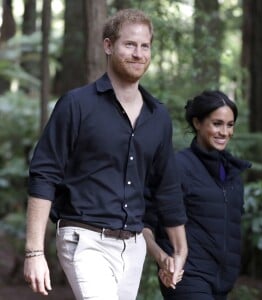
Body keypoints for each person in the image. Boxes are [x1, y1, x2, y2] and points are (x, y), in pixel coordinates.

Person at [23, 8, 188, 300]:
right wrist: (34, 252)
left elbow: (166, 187)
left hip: (134, 247)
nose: (138, 53)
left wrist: (178, 250)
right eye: (129, 44)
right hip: (83, 239)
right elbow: (43, 175)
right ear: (108, 46)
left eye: (144, 46)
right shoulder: (76, 105)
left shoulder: (158, 116)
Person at [143, 90, 251, 300]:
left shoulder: (233, 173)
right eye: (217, 123)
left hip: (222, 281)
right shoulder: (177, 167)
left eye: (230, 125)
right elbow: (146, 222)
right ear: (197, 123)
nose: (224, 132)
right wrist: (163, 258)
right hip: (187, 276)